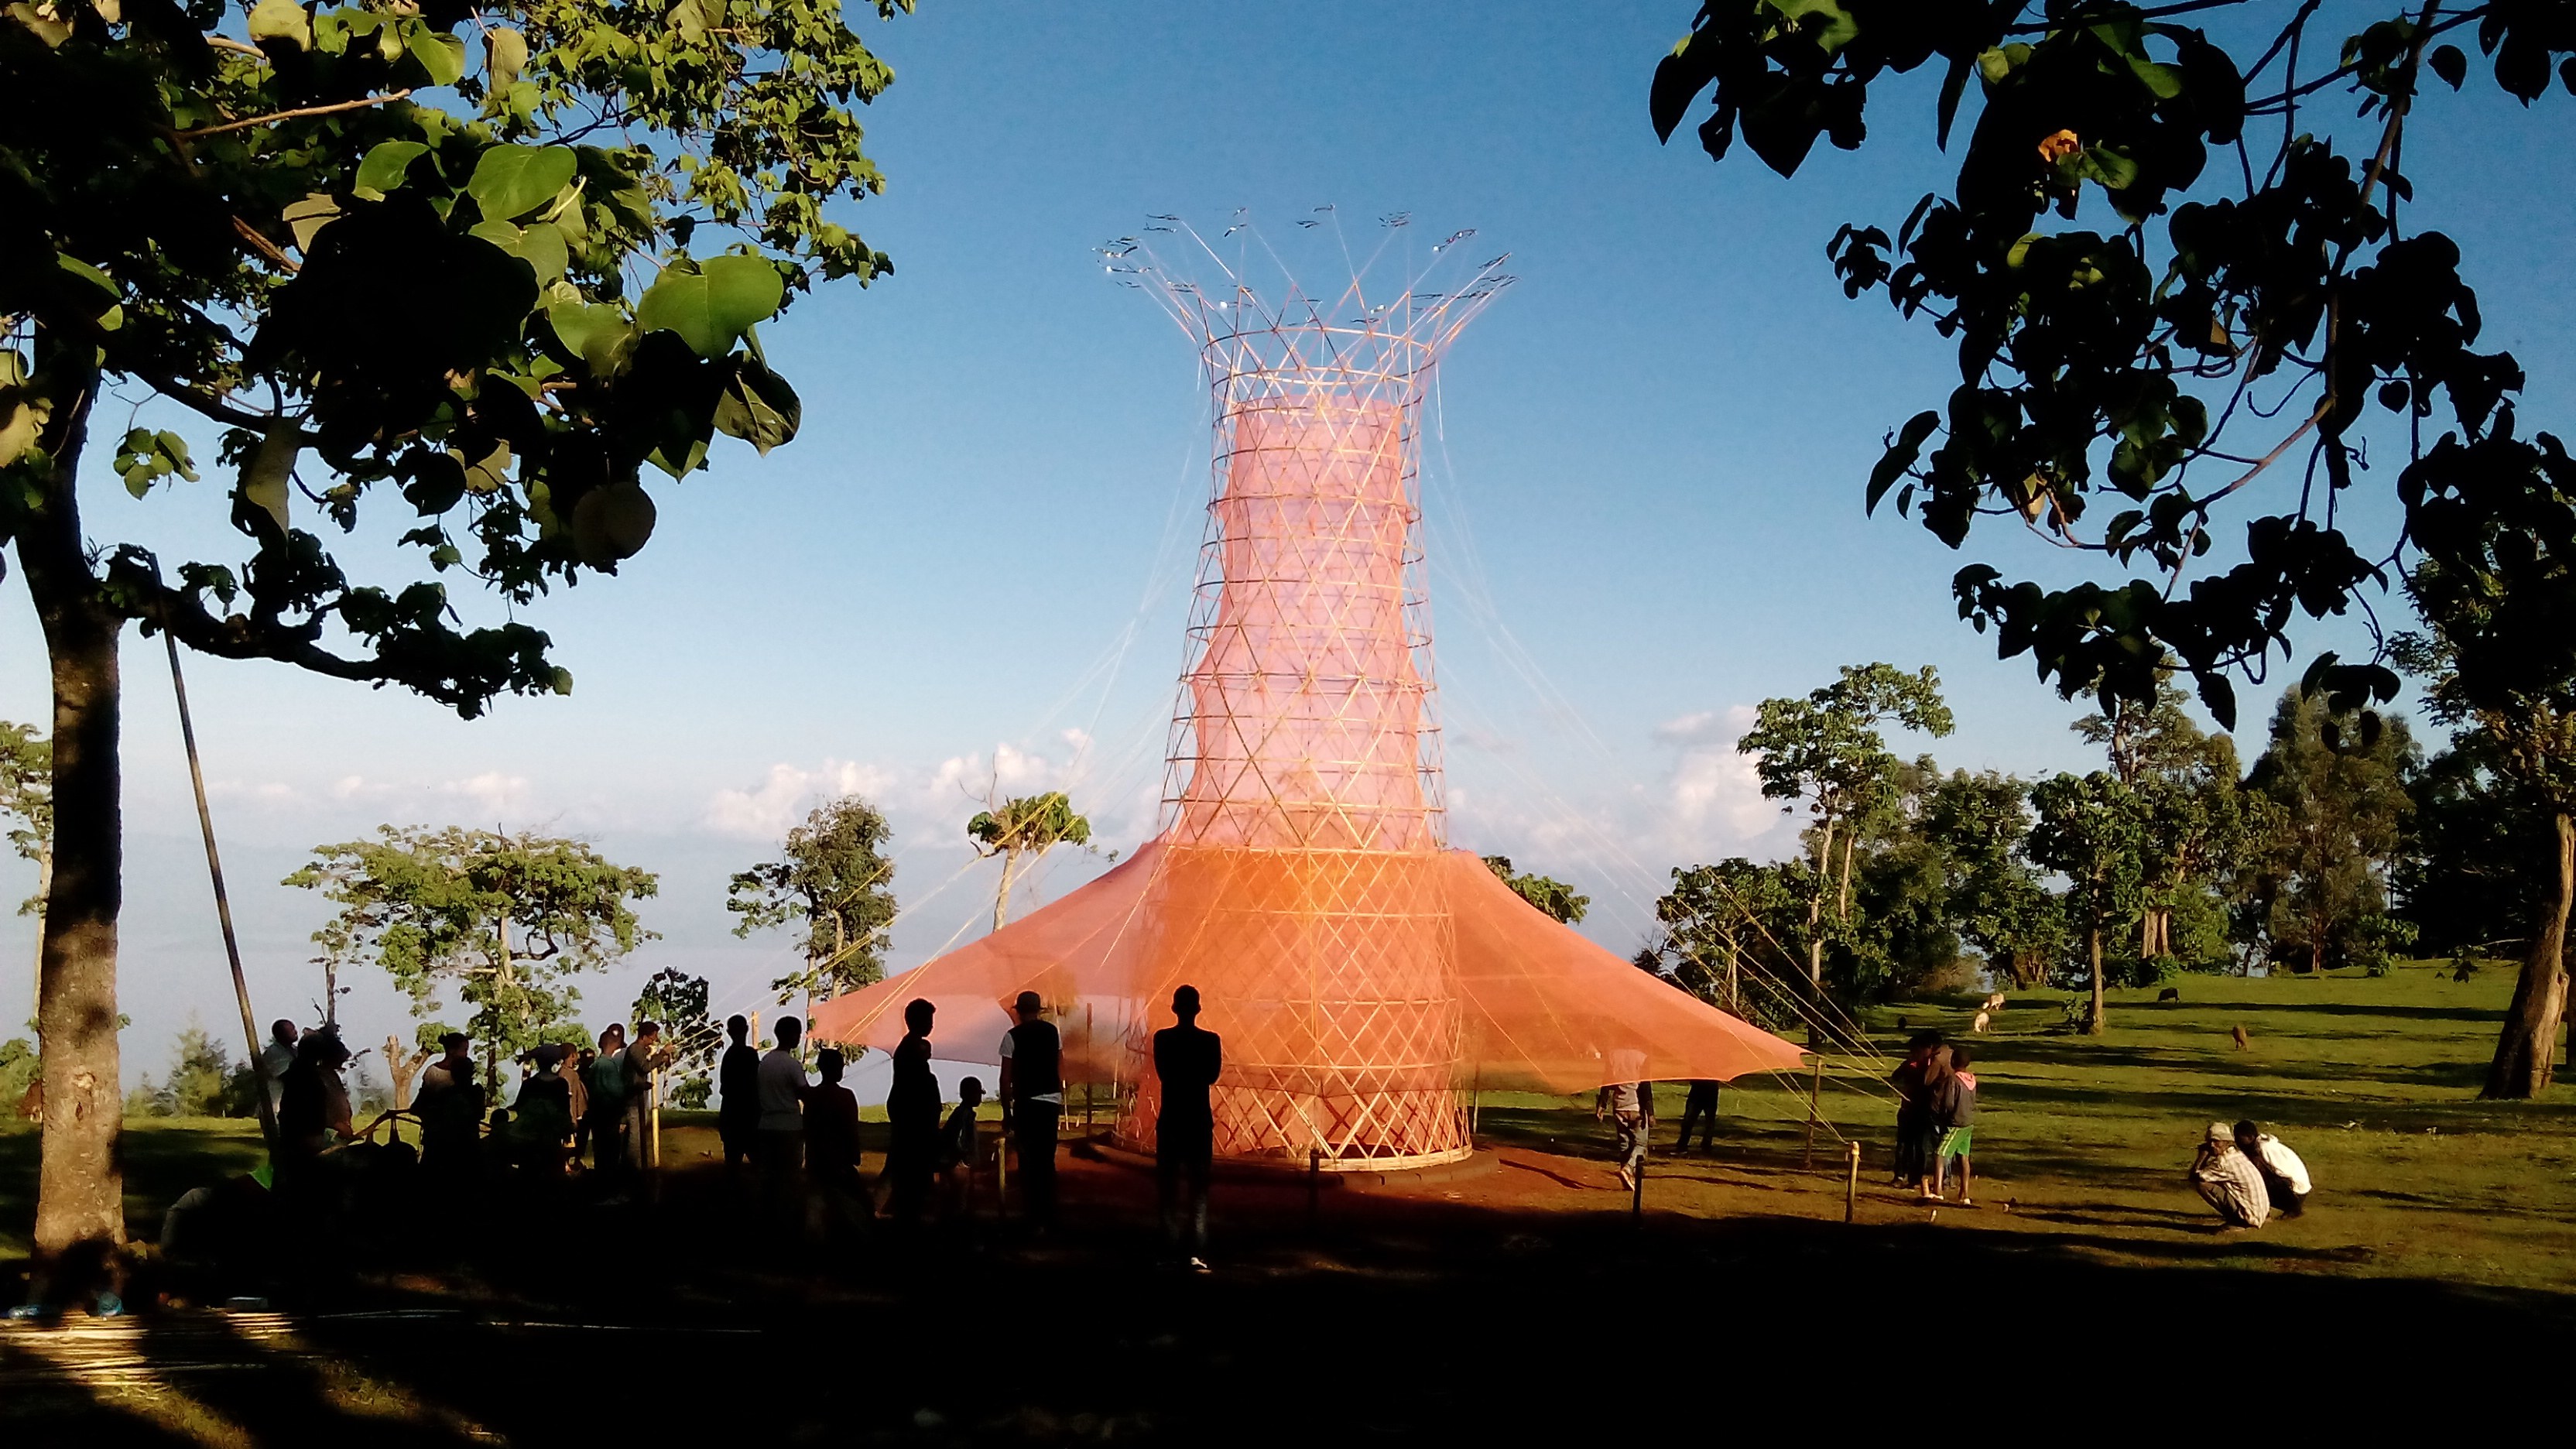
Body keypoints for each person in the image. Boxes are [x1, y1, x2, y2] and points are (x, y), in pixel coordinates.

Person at [1153, 985, 1222, 1270]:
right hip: (1198, 1119)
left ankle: (1169, 1249)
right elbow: (1212, 1075)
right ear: (1198, 1009)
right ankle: (1197, 1252)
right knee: (1199, 1189)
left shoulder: (1162, 1039)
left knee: (1168, 1188)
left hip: (1171, 1118)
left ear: (1174, 1009)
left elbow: (1163, 1073)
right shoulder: (1211, 1041)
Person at [999, 990, 1063, 1228]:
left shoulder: (1011, 1036)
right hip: (1050, 1101)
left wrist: (1007, 1113)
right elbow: (1059, 1065)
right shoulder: (1052, 1033)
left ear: (1019, 1011)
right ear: (1038, 1010)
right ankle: (1049, 1213)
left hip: (1026, 1103)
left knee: (1027, 1160)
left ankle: (1032, 1215)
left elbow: (1005, 1079)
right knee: (1046, 1158)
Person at [276, 1027, 354, 1201]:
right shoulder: (305, 1077)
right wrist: (336, 1125)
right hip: (307, 1144)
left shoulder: (317, 1075)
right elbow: (309, 1112)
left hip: (316, 1140)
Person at [884, 999, 940, 1225]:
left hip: (911, 1121)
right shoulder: (912, 1051)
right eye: (929, 1019)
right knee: (912, 1178)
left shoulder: (909, 1049)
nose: (932, 1025)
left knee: (907, 1175)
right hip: (914, 1124)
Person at [805, 1048, 868, 1245]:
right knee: (859, 1207)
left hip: (816, 1160)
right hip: (839, 1162)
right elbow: (850, 1129)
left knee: (818, 1205)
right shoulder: (845, 1096)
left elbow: (808, 1129)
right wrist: (854, 1156)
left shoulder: (812, 1096)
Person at [758, 1016, 813, 1239]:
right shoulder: (792, 1065)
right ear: (790, 1035)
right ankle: (787, 1224)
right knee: (789, 1178)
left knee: (769, 1178)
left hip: (766, 1125)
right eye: (797, 1033)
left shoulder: (765, 1062)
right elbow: (804, 1093)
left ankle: (767, 1223)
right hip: (788, 1127)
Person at [413, 1031, 485, 1180]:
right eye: (464, 1050)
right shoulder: (436, 1074)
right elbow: (421, 1104)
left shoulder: (439, 1077)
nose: (466, 1054)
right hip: (446, 1139)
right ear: (452, 1050)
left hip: (438, 1137)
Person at [1889, 1033, 1946, 1191]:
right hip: (1908, 1110)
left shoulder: (1931, 1065)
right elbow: (1895, 1076)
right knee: (1903, 1145)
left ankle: (1915, 1177)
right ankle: (1899, 1175)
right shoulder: (1911, 1064)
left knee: (1920, 1146)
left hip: (1922, 1111)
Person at [2188, 1121, 2270, 1229]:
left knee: (2202, 1185)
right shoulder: (2238, 1155)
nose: (2212, 1145)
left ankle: (2238, 1222)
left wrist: (2203, 1156)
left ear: (2226, 1142)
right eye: (2210, 1142)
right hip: (2260, 1212)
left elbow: (2194, 1177)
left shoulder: (2223, 1163)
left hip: (2250, 1216)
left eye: (2216, 1141)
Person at [508, 1045, 576, 1175]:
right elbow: (565, 1111)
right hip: (553, 1140)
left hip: (531, 1140)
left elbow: (520, 1107)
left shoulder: (530, 1084)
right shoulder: (561, 1084)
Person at [622, 1020, 675, 1173]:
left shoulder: (641, 1050)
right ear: (644, 1037)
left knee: (637, 1133)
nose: (653, 1041)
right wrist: (662, 1053)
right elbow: (645, 1067)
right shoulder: (635, 1050)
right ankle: (632, 1168)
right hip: (633, 1100)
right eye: (652, 1038)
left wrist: (663, 1056)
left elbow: (652, 1063)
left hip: (639, 1098)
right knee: (635, 1135)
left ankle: (633, 1165)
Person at [2233, 1120, 2311, 1218]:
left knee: (2254, 1180)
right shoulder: (2258, 1148)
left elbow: (2282, 1173)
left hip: (2296, 1190)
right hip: (2294, 1188)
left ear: (2250, 1137)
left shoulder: (2264, 1148)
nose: (2236, 1141)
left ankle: (2292, 1208)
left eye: (2238, 1138)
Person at [1931, 1043, 1977, 1204]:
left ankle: (1937, 1191)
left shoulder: (1953, 1079)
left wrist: (1942, 1116)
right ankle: (1964, 1194)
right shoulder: (1972, 1079)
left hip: (1955, 1123)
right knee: (1963, 1157)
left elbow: (1949, 1103)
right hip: (1968, 1123)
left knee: (1940, 1153)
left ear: (1952, 1062)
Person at [718, 1014, 760, 1182]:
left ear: (729, 1032)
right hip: (749, 1115)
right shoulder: (750, 1055)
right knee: (758, 1163)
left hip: (731, 1115)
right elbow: (755, 1083)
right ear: (746, 1030)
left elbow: (725, 1088)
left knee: (732, 1165)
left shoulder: (728, 1056)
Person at [586, 1024, 630, 1180]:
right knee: (611, 1155)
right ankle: (608, 1189)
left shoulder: (595, 1065)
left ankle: (599, 1186)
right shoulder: (609, 1066)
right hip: (609, 1118)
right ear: (615, 1045)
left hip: (596, 1116)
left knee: (600, 1154)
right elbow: (618, 1093)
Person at [940, 1077, 988, 1214]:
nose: (979, 1097)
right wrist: (965, 1159)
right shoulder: (965, 1115)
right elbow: (960, 1141)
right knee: (959, 1199)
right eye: (977, 1093)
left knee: (954, 1198)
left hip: (954, 1162)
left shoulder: (961, 1113)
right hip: (957, 1163)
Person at [1595, 1072, 1649, 1190]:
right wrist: (1650, 1113)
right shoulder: (1642, 1057)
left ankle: (1627, 1179)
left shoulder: (1614, 1057)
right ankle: (1628, 1169)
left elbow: (1606, 1081)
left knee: (1624, 1144)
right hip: (1636, 1106)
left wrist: (1602, 1105)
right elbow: (1645, 1086)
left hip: (1619, 1106)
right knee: (1641, 1144)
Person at [259, 1019, 300, 1115]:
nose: (296, 1032)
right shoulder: (274, 1052)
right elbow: (290, 1077)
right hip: (277, 1109)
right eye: (292, 1030)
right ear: (281, 1034)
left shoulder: (294, 1050)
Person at [1674, 1079, 1721, 1155]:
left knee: (1709, 1121)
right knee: (1688, 1119)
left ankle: (1706, 1145)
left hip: (1711, 1092)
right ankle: (1682, 1144)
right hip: (1697, 1091)